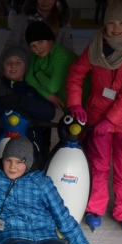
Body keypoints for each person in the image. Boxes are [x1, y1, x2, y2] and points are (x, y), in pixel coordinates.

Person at [65, 0, 122, 233]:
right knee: (98, 166)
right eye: (111, 22)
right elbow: (76, 74)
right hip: (96, 115)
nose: (115, 28)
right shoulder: (96, 46)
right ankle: (94, 207)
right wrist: (75, 104)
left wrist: (111, 121)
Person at [0, 45, 55, 162]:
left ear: (26, 67)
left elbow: (49, 112)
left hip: (28, 141)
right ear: (3, 66)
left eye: (19, 62)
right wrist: (4, 102)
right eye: (8, 62)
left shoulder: (33, 87)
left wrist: (21, 101)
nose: (13, 65)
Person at [24, 21, 77, 161]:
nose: (38, 48)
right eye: (33, 46)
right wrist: (48, 95)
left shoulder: (61, 56)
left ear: (50, 39)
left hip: (81, 103)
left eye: (41, 42)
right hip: (66, 103)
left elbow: (53, 86)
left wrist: (39, 74)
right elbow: (29, 78)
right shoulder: (37, 56)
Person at [5, 0, 74, 55]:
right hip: (27, 64)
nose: (45, 1)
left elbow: (68, 50)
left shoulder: (63, 22)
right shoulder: (22, 19)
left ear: (55, 0)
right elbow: (11, 44)